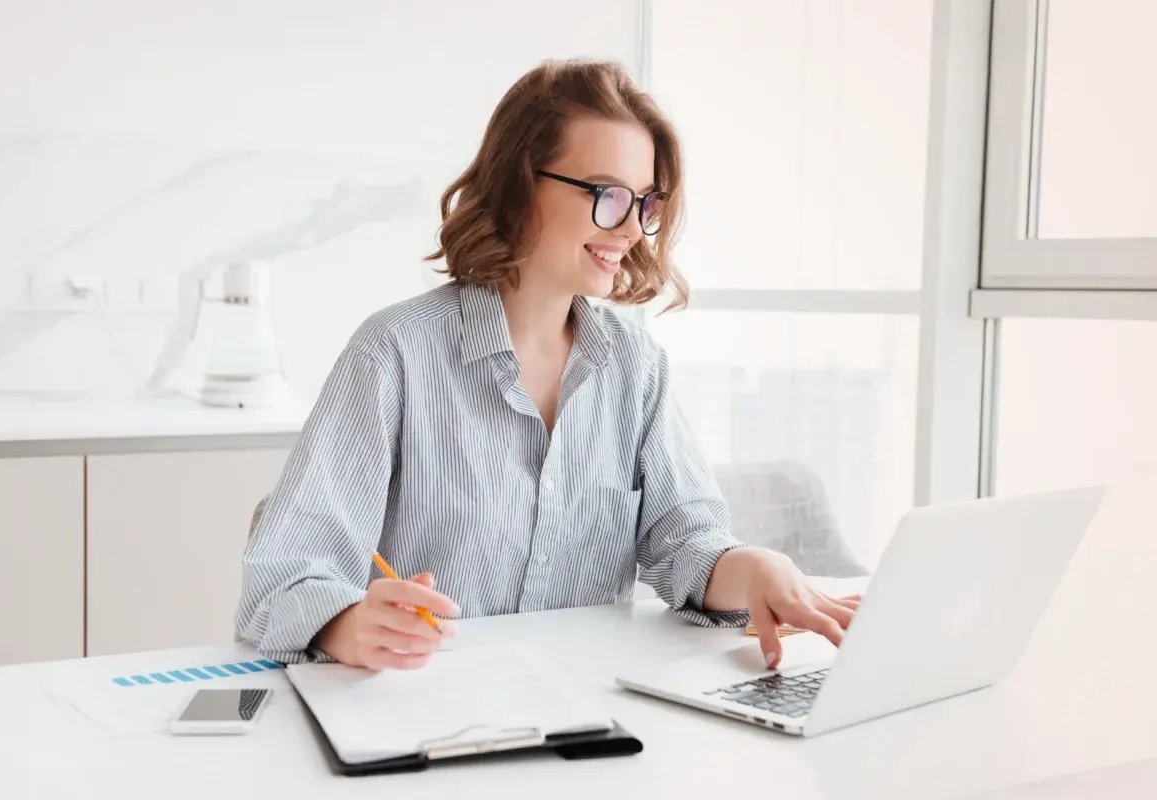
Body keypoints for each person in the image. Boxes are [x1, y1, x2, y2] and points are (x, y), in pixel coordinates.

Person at [235, 57, 860, 671]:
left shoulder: (634, 367)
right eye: (607, 196)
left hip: (589, 715)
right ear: (518, 186)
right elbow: (283, 574)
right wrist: (345, 623)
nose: (632, 230)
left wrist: (754, 569)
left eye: (644, 202)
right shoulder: (394, 353)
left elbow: (685, 544)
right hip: (430, 717)